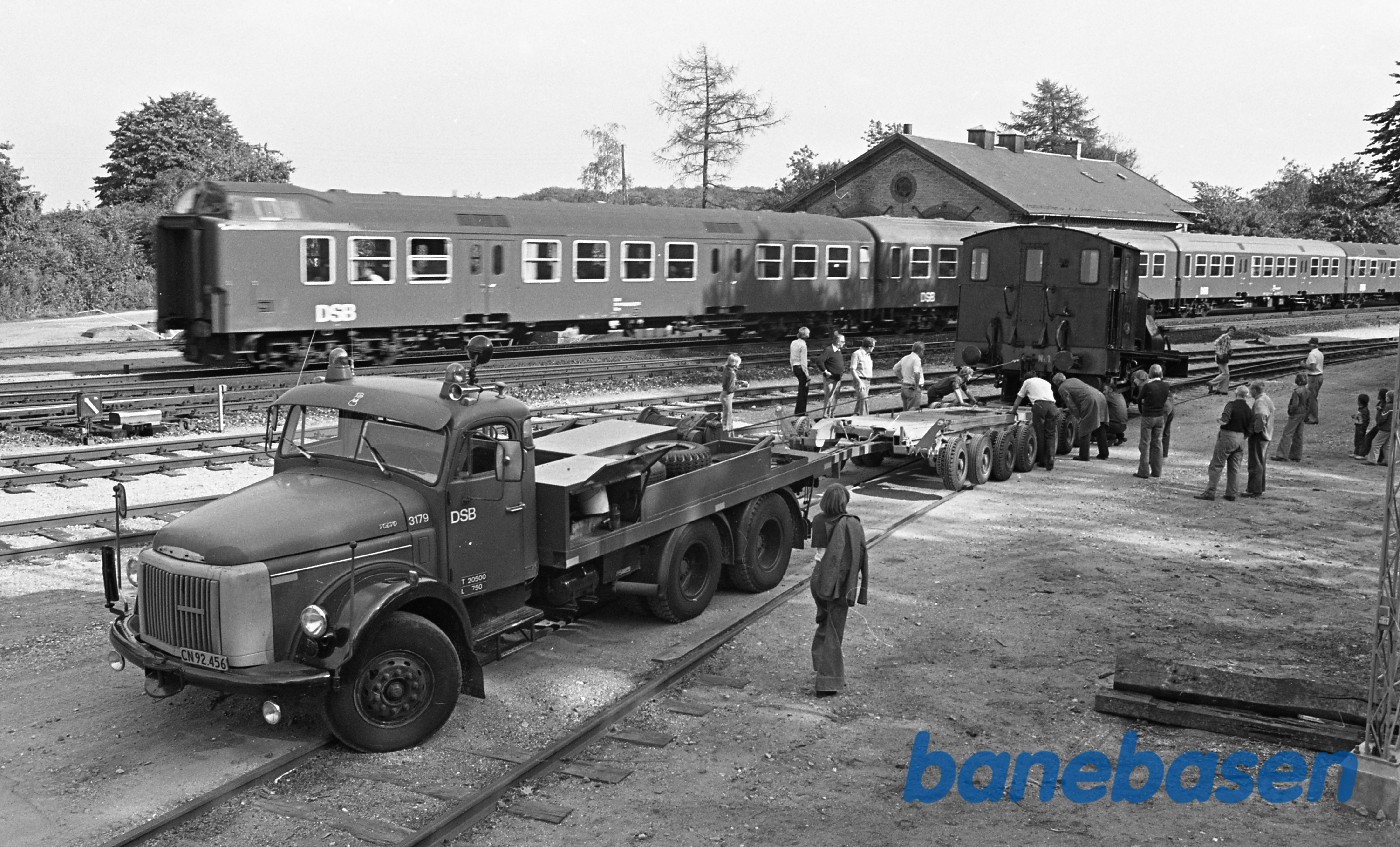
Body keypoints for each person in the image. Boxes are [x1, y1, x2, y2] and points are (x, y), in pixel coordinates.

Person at [809, 484, 869, 696]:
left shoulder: (817, 520)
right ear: (844, 503)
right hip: (836, 580)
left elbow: (820, 550)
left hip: (817, 578)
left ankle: (820, 662)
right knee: (835, 629)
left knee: (825, 620)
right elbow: (857, 556)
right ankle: (827, 683)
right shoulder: (852, 524)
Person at [1196, 385, 1252, 501]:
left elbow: (1225, 419)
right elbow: (1251, 427)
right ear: (1246, 396)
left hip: (1228, 437)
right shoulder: (1248, 409)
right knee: (1235, 467)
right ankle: (1231, 493)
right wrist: (1243, 436)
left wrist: (1219, 421)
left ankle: (1210, 492)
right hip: (1241, 439)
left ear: (1236, 393)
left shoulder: (1231, 405)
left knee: (1217, 465)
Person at [1010, 369, 1059, 470]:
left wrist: (1013, 411)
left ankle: (1042, 461)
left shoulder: (1027, 382)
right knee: (1050, 434)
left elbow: (1019, 397)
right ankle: (1051, 457)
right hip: (1053, 407)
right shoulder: (1046, 382)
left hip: (1040, 407)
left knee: (1039, 433)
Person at [1056, 373, 1109, 461]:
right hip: (1100, 397)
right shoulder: (1073, 379)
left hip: (1090, 400)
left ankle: (1084, 456)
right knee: (1100, 428)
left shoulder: (1062, 388)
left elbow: (1070, 403)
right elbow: (1079, 394)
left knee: (1085, 428)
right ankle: (1104, 453)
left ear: (1057, 382)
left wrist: (1078, 416)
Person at [1134, 364, 1171, 479]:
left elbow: (1138, 399)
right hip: (1160, 417)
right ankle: (1156, 471)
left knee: (1145, 443)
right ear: (1160, 373)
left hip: (1148, 416)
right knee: (1157, 443)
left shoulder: (1148, 386)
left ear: (1150, 373)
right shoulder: (1166, 386)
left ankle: (1143, 471)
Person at [1244, 380, 1275, 498]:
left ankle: (1253, 489)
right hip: (1267, 434)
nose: (1249, 391)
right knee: (1261, 462)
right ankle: (1259, 487)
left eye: (1251, 389)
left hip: (1260, 436)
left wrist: (1255, 431)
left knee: (1255, 462)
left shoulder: (1260, 402)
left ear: (1255, 390)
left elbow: (1261, 415)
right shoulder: (1266, 398)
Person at [1274, 372, 1311, 462]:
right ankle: (1296, 455)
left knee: (1287, 433)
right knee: (1298, 435)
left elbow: (1294, 405)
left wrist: (1290, 411)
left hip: (1295, 414)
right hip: (1303, 413)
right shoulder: (1308, 391)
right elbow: (1309, 404)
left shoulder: (1296, 392)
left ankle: (1282, 455)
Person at [817, 333, 847, 418]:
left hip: (838, 378)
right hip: (831, 378)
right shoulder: (829, 350)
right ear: (838, 342)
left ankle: (832, 414)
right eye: (843, 342)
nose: (844, 343)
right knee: (829, 396)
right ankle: (826, 414)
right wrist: (825, 371)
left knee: (835, 397)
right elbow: (819, 361)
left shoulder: (838, 350)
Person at [719, 353, 749, 431]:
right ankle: (726, 432)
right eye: (738, 363)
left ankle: (728, 431)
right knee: (727, 416)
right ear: (735, 363)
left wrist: (740, 381)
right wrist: (740, 386)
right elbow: (730, 389)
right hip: (727, 396)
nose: (739, 365)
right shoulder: (732, 373)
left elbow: (730, 382)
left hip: (724, 394)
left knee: (727, 415)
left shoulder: (726, 369)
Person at [894, 342, 926, 411]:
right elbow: (917, 373)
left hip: (904, 387)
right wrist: (917, 386)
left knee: (905, 411)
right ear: (921, 350)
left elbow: (895, 369)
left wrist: (902, 378)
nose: (923, 352)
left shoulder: (905, 358)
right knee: (913, 411)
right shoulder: (916, 359)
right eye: (923, 350)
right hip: (913, 388)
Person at [850, 337, 876, 415]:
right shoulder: (857, 354)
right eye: (873, 346)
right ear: (869, 347)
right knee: (864, 399)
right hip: (860, 380)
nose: (874, 348)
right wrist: (860, 382)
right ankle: (865, 419)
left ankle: (855, 417)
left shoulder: (868, 355)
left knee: (861, 401)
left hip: (867, 381)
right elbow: (852, 369)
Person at [789, 327, 811, 417]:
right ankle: (801, 412)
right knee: (803, 391)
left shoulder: (793, 342)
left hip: (795, 367)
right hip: (801, 368)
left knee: (801, 390)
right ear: (806, 335)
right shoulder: (803, 345)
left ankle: (799, 411)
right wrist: (807, 375)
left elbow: (791, 357)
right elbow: (803, 362)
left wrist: (792, 367)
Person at [1207, 327, 1234, 395]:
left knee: (1223, 374)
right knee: (1226, 373)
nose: (1231, 332)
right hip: (1221, 358)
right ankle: (1211, 383)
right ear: (1227, 331)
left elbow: (1226, 347)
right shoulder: (1224, 336)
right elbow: (1216, 343)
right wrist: (1219, 353)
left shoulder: (1228, 339)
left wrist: (1230, 351)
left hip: (1223, 357)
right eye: (1230, 330)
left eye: (1233, 331)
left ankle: (1221, 390)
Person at [1304, 337, 1324, 424]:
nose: (1308, 345)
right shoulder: (1320, 353)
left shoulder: (1312, 354)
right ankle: (1307, 416)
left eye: (1310, 343)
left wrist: (1303, 365)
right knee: (1311, 397)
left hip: (1314, 377)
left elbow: (1312, 367)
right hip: (1320, 376)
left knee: (1312, 398)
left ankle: (1314, 418)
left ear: (1312, 344)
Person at [1104, 380, 1130, 447]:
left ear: (1110, 390)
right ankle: (1120, 436)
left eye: (1104, 389)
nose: (1103, 392)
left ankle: (1111, 437)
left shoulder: (1109, 396)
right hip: (1123, 425)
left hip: (1116, 426)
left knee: (1099, 426)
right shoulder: (1120, 395)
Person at [1372, 392, 1394, 466]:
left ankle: (1373, 460)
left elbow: (1383, 418)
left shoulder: (1388, 407)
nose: (1386, 398)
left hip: (1385, 428)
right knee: (1387, 445)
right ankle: (1388, 461)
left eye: (1387, 397)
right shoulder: (1396, 406)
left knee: (1376, 443)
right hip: (1392, 428)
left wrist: (1380, 412)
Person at [1352, 393, 1372, 460]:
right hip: (1358, 426)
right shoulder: (1361, 409)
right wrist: (1355, 416)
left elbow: (1365, 420)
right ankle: (1356, 452)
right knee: (1357, 439)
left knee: (1360, 440)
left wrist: (1363, 428)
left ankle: (1361, 454)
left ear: (1360, 401)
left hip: (1361, 427)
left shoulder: (1364, 410)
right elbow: (1360, 416)